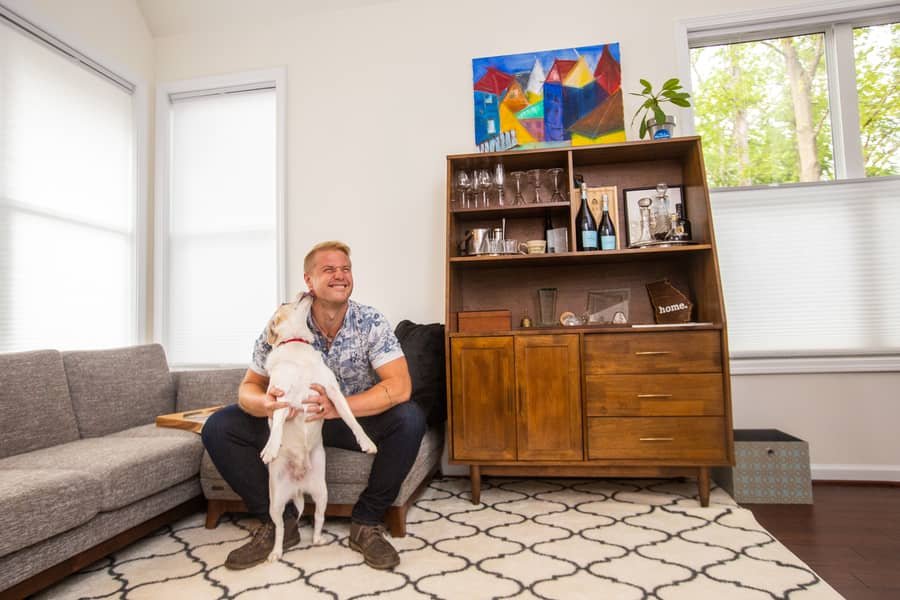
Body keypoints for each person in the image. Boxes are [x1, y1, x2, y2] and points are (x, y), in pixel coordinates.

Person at [202, 240, 426, 571]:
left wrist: (337, 407)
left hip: (349, 418)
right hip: (293, 421)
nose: (340, 276)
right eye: (329, 270)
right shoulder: (284, 320)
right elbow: (248, 387)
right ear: (309, 281)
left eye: (346, 269)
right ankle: (279, 523)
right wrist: (265, 403)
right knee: (219, 426)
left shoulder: (370, 321)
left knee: (410, 418)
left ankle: (366, 522)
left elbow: (400, 385)